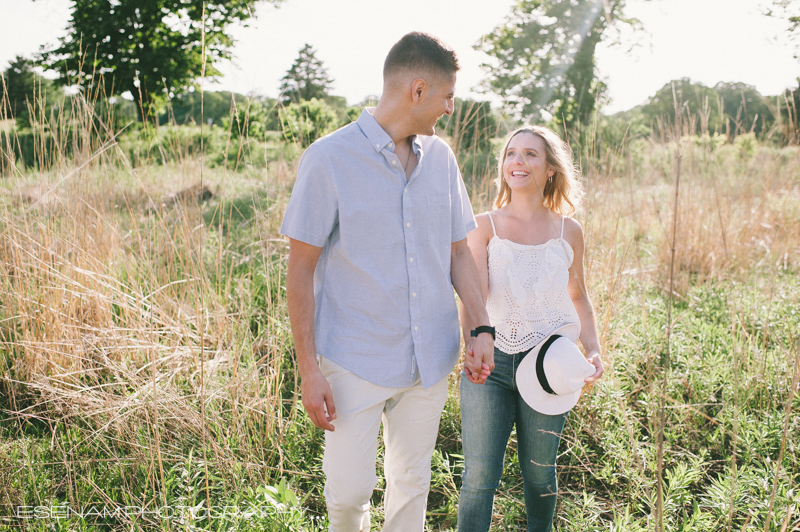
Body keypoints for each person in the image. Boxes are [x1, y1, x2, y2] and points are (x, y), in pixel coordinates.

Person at [281, 32, 495, 532]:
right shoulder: (328, 159)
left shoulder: (441, 160)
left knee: (411, 483)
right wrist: (308, 370)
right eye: (447, 97)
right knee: (350, 492)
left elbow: (459, 251)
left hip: (429, 359)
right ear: (417, 90)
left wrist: (479, 328)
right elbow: (299, 269)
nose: (450, 108)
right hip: (353, 359)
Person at [457, 125, 605, 532]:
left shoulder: (568, 231)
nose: (517, 162)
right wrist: (473, 346)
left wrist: (593, 349)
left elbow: (579, 296)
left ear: (551, 170)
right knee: (478, 481)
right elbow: (473, 298)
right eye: (511, 154)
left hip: (549, 367)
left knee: (540, 477)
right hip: (492, 365)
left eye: (530, 155)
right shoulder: (483, 225)